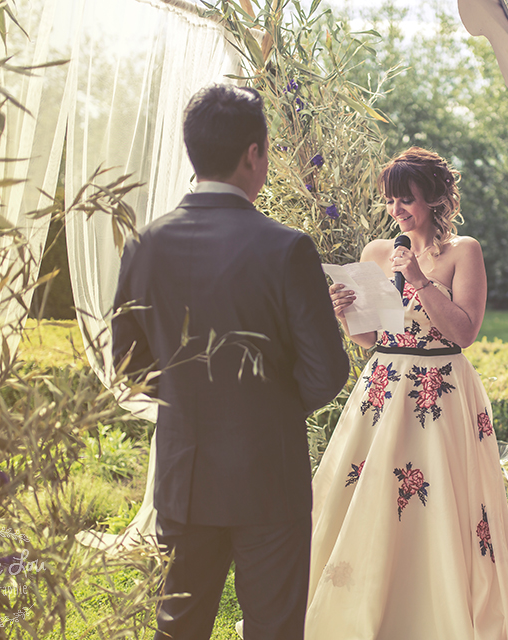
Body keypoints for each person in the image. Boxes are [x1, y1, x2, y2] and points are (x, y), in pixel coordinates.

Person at [112, 84, 349, 640]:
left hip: (184, 474)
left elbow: (127, 363)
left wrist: (191, 401)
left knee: (179, 628)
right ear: (254, 153)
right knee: (273, 629)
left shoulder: (143, 244)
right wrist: (268, 407)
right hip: (270, 474)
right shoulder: (287, 248)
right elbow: (327, 371)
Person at [304, 147, 508, 639]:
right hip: (382, 389)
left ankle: (434, 615)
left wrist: (421, 281)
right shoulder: (375, 254)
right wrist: (345, 314)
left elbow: (465, 333)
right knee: (370, 494)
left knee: (438, 504)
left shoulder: (464, 251)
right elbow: (372, 339)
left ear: (435, 199)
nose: (396, 210)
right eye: (390, 200)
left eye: (406, 199)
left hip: (439, 393)